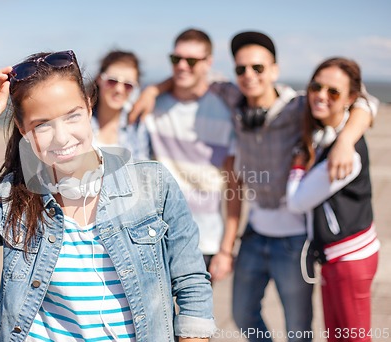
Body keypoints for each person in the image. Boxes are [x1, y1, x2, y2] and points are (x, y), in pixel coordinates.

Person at [0, 50, 216, 341]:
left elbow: (190, 281)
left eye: (72, 116)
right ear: (23, 129)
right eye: (42, 124)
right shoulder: (18, 197)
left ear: (89, 107)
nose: (62, 137)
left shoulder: (153, 183)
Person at [129, 31, 377, 342]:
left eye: (258, 68)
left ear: (275, 70)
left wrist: (345, 140)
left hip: (294, 240)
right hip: (254, 235)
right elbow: (190, 77)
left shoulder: (299, 107)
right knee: (243, 315)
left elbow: (366, 101)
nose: (249, 75)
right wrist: (153, 89)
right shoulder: (233, 98)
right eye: (241, 68)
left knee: (298, 330)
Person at [286, 57, 379, 342]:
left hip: (349, 258)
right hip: (335, 256)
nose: (321, 96)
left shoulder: (345, 154)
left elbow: (296, 201)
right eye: (316, 86)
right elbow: (368, 102)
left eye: (334, 92)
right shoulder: (327, 136)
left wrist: (299, 163)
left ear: (350, 98)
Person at [142, 28, 241, 280]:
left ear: (209, 63)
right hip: (158, 237)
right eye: (176, 59)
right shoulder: (153, 107)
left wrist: (226, 250)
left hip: (206, 241)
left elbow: (234, 185)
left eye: (192, 61)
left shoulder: (227, 110)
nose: (182, 66)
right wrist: (152, 90)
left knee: (196, 320)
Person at [90, 50, 150, 160]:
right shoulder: (81, 120)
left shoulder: (137, 127)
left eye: (128, 85)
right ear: (99, 79)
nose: (119, 89)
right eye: (112, 81)